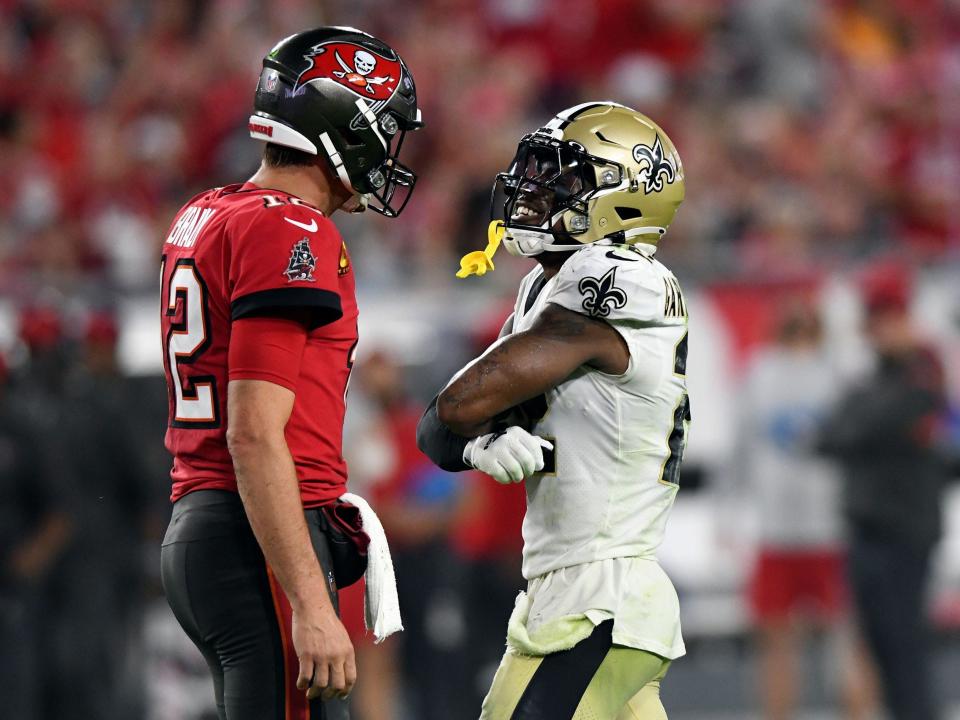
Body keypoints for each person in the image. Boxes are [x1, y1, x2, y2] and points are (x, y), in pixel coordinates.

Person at [157, 26, 422, 720]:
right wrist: (308, 599)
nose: (389, 152)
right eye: (385, 130)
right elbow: (251, 433)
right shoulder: (290, 230)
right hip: (258, 535)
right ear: (344, 123)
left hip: (211, 524)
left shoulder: (205, 212)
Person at [418, 102, 689, 719]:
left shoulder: (618, 277)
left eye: (564, 178)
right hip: (578, 591)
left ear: (626, 197)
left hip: (599, 596)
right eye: (537, 169)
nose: (534, 190)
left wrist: (474, 428)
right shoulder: (549, 283)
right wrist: (472, 444)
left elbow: (460, 402)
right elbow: (437, 430)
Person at [735, 299, 875, 720]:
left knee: (845, 638)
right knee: (778, 639)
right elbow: (741, 446)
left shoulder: (836, 373)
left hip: (829, 528)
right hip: (778, 530)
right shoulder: (759, 374)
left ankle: (857, 711)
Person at [820, 266, 948, 720]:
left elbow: (866, 424)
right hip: (865, 530)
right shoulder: (876, 377)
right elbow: (829, 436)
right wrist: (861, 425)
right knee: (878, 647)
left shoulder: (922, 369)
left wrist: (860, 424)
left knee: (904, 646)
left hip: (905, 530)